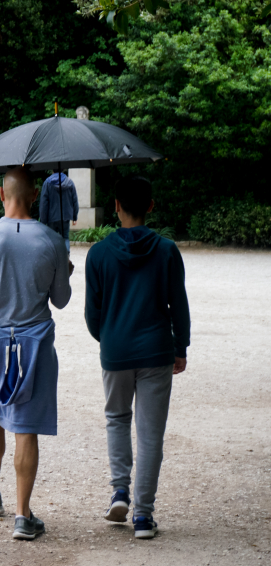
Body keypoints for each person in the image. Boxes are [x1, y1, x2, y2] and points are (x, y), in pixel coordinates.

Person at [0, 166, 72, 541]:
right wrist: (66, 270)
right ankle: (23, 516)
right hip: (34, 341)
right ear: (35, 195)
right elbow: (60, 300)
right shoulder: (52, 241)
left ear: (1, 194)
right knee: (26, 427)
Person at [85, 175, 190, 540]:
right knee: (150, 433)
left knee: (117, 418)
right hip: (156, 350)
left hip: (116, 350)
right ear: (151, 206)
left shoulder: (98, 254)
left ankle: (119, 491)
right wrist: (181, 347)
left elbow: (93, 314)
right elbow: (179, 305)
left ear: (115, 206)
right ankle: (143, 516)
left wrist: (109, 338)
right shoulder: (167, 251)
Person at [39, 170, 79, 253]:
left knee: (51, 239)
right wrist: (74, 216)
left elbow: (44, 203)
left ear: (52, 170)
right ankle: (66, 257)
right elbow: (74, 200)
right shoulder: (70, 182)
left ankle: (53, 258)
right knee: (65, 238)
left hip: (51, 217)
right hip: (65, 216)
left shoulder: (47, 183)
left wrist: (43, 221)